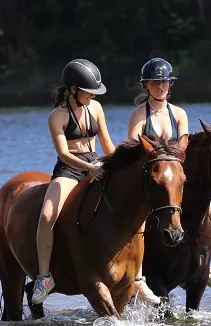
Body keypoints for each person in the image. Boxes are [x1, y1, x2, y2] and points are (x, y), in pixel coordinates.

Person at [32, 58, 161, 305]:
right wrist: (89, 168)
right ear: (73, 90)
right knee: (47, 216)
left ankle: (138, 278)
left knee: (135, 209)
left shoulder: (96, 108)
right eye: (88, 92)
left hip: (98, 163)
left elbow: (107, 143)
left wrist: (115, 163)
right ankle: (44, 277)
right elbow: (63, 153)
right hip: (70, 170)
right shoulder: (56, 117)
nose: (92, 96)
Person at [127, 57, 211, 291]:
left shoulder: (179, 113)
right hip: (151, 176)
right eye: (155, 83)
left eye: (164, 82)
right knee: (138, 220)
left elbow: (183, 144)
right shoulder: (139, 115)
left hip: (174, 173)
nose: (160, 87)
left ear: (170, 85)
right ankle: (137, 275)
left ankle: (206, 265)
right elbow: (133, 146)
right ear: (146, 85)